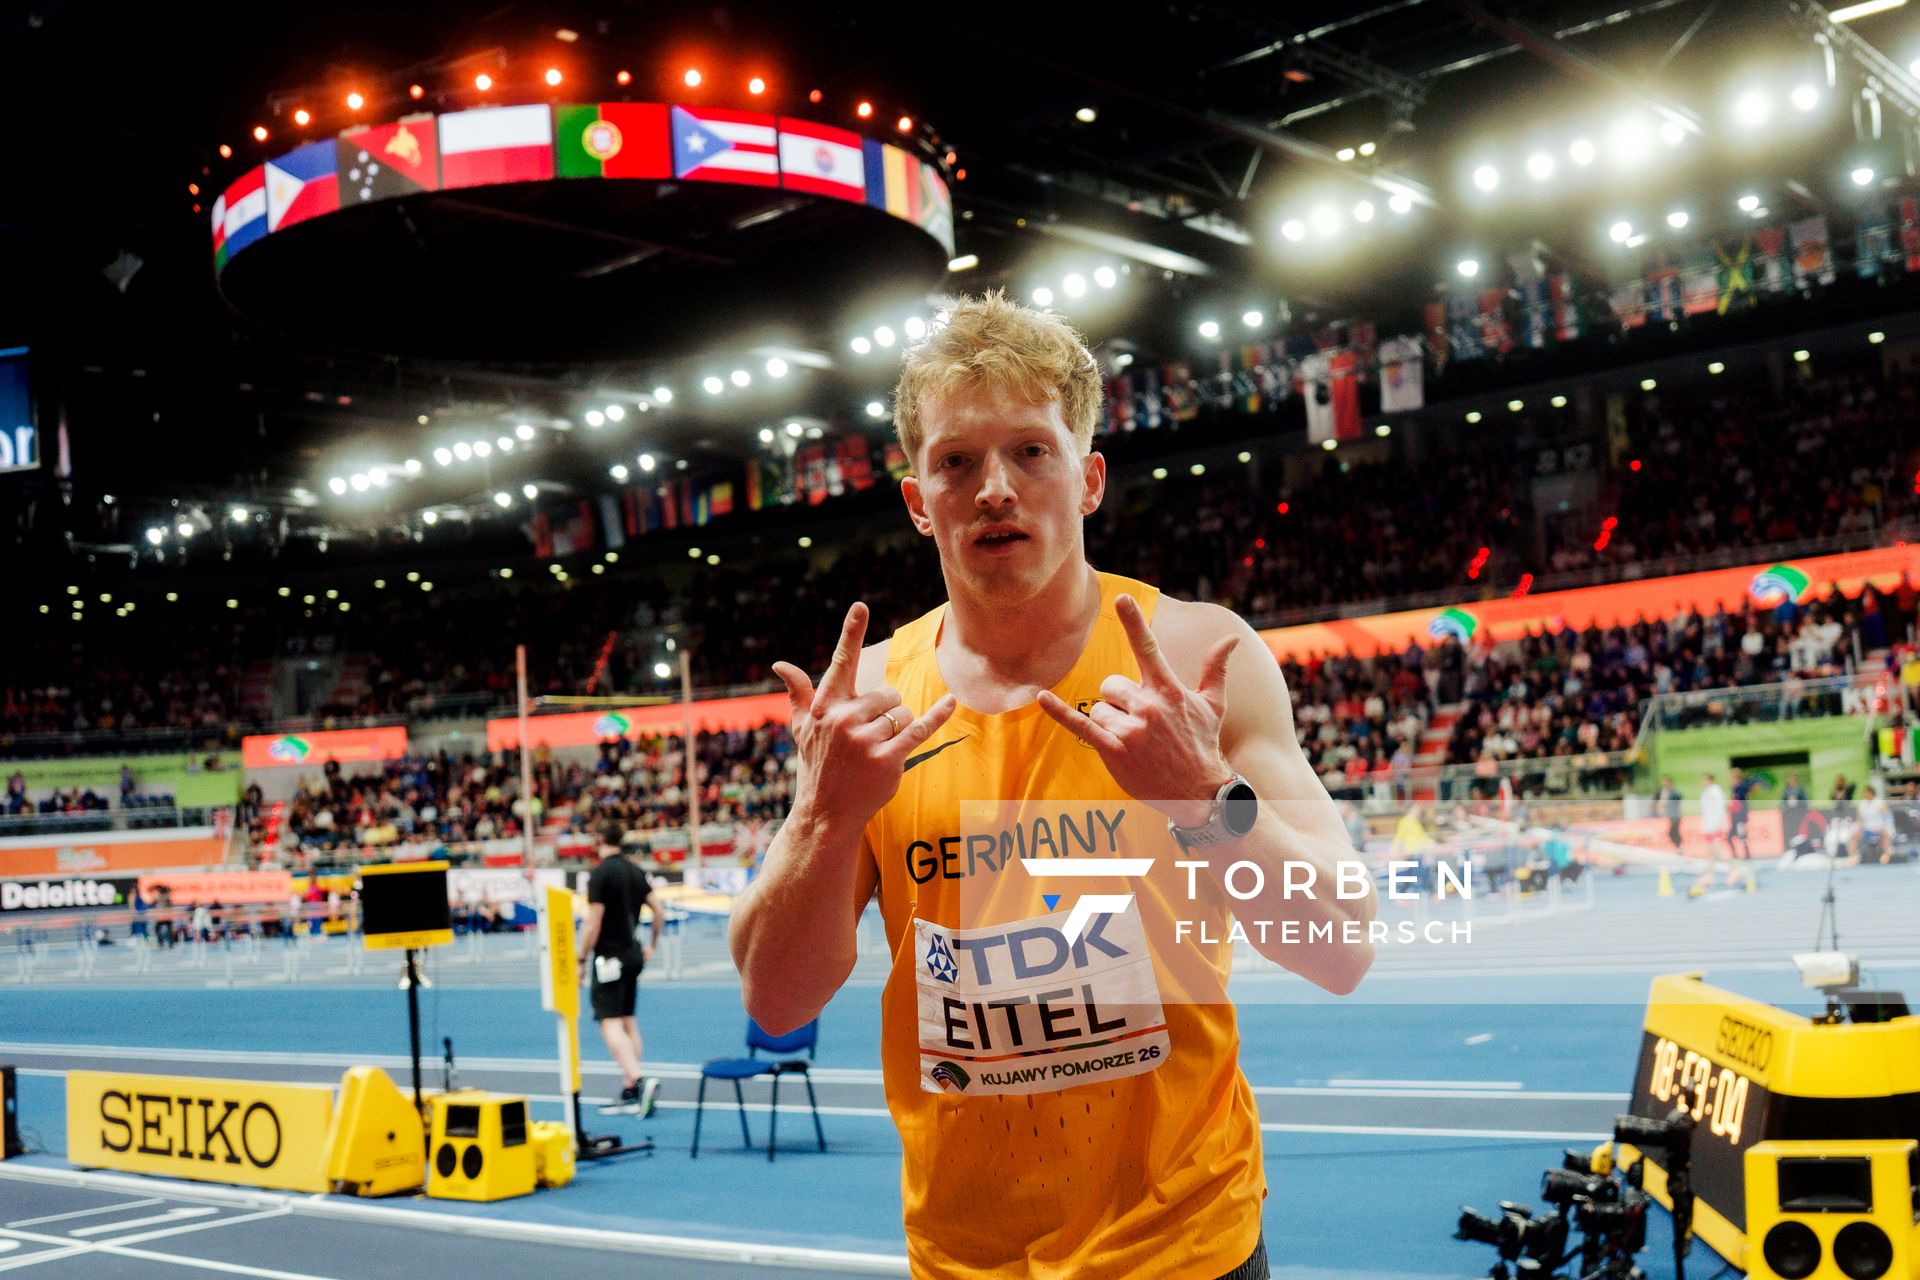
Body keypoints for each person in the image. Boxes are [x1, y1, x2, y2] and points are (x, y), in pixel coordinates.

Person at [730, 292, 1375, 1280]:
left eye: (1032, 450)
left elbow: (1340, 946)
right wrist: (826, 817)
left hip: (1186, 1247)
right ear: (917, 500)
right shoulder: (864, 699)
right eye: (956, 460)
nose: (995, 487)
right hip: (965, 1256)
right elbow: (777, 998)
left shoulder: (1203, 655)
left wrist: (1202, 795)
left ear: (1088, 479)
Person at [578, 819, 662, 1118]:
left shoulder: (600, 875)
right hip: (633, 954)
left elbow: (593, 921)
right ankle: (630, 1089)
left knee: (609, 1022)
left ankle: (638, 1080)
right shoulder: (635, 871)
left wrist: (580, 958)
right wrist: (652, 943)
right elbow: (659, 911)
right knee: (628, 1021)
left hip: (609, 958)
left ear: (600, 839)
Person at [1728, 766, 1758, 860]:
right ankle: (1735, 855)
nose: (1730, 780)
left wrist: (1731, 806)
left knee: (1742, 836)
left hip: (1740, 817)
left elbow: (1740, 803)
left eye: (1732, 778)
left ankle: (1747, 854)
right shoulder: (1735, 788)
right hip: (1734, 817)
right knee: (1730, 837)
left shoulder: (1741, 788)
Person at [1856, 785, 1891, 864]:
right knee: (1854, 835)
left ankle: (1886, 855)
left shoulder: (1880, 803)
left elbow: (1887, 817)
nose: (1864, 794)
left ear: (1871, 793)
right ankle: (1854, 857)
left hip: (1879, 827)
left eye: (1866, 793)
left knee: (1886, 834)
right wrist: (1859, 830)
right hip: (1867, 828)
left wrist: (1882, 827)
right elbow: (1860, 820)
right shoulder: (1861, 804)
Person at [1780, 771, 1810, 851]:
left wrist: (1798, 803)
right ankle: (1792, 847)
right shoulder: (1786, 789)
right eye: (1789, 779)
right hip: (1789, 814)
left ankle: (1802, 847)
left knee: (1801, 830)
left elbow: (1805, 801)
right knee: (1791, 830)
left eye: (1792, 779)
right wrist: (1786, 805)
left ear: (1796, 780)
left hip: (1800, 812)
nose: (1790, 781)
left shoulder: (1800, 788)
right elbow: (1782, 801)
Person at [1656, 775, 1682, 851]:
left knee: (1673, 833)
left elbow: (1677, 799)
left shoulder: (1673, 792)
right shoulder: (1666, 792)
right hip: (1672, 816)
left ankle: (1680, 847)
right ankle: (1679, 847)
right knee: (1673, 833)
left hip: (1675, 816)